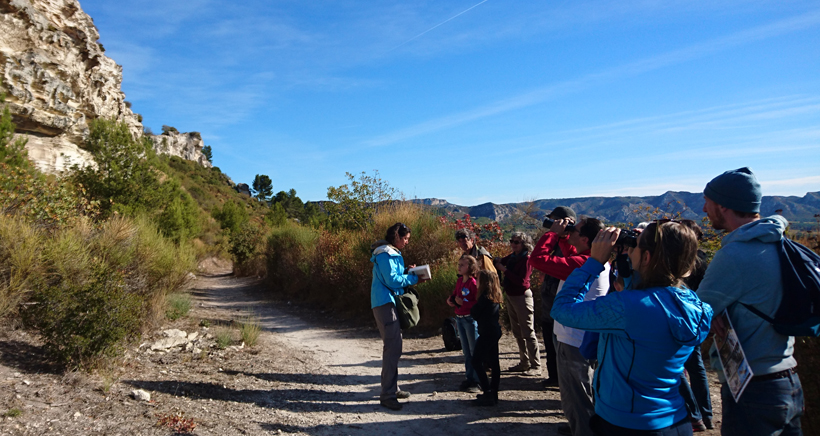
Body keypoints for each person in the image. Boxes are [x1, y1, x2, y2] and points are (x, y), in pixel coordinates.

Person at [552, 221, 713, 435]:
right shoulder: (696, 307)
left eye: (635, 246)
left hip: (625, 422)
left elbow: (562, 310)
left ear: (646, 257)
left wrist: (594, 262)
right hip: (674, 420)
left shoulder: (627, 308)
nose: (631, 250)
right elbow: (651, 306)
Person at [697, 167, 804, 436]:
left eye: (707, 201)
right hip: (788, 379)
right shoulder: (780, 244)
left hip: (753, 387)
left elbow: (696, 314)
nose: (703, 208)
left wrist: (711, 315)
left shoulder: (735, 254)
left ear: (723, 206)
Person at [530, 215, 609, 436]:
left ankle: (583, 430)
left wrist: (552, 234)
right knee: (580, 392)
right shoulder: (593, 260)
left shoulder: (583, 264)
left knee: (577, 394)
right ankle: (579, 426)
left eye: (575, 230)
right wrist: (565, 238)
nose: (571, 231)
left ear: (585, 239)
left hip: (575, 340)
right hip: (581, 337)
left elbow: (537, 260)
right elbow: (570, 255)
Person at [370, 222, 429, 411]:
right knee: (392, 348)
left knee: (394, 347)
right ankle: (387, 395)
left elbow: (393, 275)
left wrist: (407, 272)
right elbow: (392, 280)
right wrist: (414, 278)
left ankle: (392, 389)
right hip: (385, 303)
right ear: (396, 237)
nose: (406, 242)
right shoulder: (386, 253)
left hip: (386, 302)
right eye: (405, 239)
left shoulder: (387, 252)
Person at [675, 220, 713, 432]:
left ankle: (694, 414)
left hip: (682, 318)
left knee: (679, 368)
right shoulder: (703, 259)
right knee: (696, 367)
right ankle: (705, 413)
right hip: (695, 318)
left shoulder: (685, 261)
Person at [538, 206, 577, 387]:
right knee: (549, 343)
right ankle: (554, 377)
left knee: (560, 346)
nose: (552, 224)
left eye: (556, 220)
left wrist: (554, 235)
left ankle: (562, 380)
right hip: (549, 303)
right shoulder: (559, 244)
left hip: (560, 306)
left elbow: (538, 259)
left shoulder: (574, 246)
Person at [494, 232, 540, 376]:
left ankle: (536, 365)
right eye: (512, 241)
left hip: (522, 296)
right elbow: (501, 261)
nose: (513, 244)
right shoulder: (513, 257)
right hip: (512, 295)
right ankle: (524, 362)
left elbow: (522, 281)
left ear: (524, 244)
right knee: (517, 331)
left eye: (517, 242)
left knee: (528, 331)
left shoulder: (526, 259)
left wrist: (504, 270)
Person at [446, 255, 481, 393]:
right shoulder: (460, 281)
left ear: (470, 267)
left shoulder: (473, 283)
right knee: (466, 351)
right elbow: (455, 294)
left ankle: (478, 380)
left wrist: (464, 303)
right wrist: (451, 300)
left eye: (462, 265)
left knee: (474, 350)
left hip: (470, 319)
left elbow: (478, 302)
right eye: (459, 264)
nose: (459, 267)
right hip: (459, 318)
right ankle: (469, 377)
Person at [471, 269, 504, 406]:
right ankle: (493, 392)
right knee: (494, 362)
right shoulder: (494, 296)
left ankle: (487, 390)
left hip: (487, 333)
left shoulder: (484, 298)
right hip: (493, 331)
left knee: (476, 361)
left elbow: (474, 313)